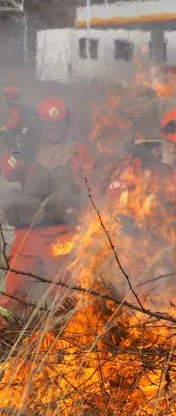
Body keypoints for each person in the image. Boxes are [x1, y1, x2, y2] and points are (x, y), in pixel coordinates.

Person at [2, 97, 94, 318]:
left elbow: (90, 188)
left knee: (65, 291)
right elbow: (9, 173)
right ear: (40, 124)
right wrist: (17, 153)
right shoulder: (29, 149)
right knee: (13, 287)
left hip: (64, 231)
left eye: (58, 123)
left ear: (67, 122)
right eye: (49, 124)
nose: (54, 128)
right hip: (29, 232)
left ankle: (69, 329)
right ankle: (5, 327)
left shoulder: (78, 151)